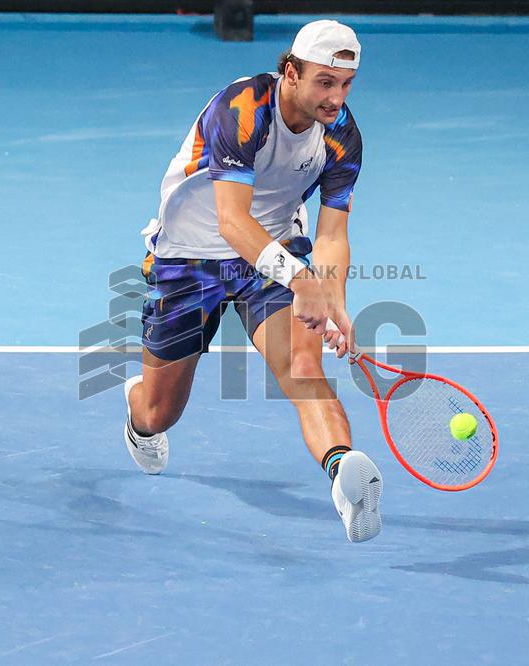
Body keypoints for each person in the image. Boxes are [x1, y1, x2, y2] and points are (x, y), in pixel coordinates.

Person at [124, 20, 382, 543]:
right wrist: (302, 279)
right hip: (190, 259)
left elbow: (334, 234)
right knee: (159, 412)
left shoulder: (341, 136)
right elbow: (231, 222)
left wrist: (334, 298)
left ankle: (343, 474)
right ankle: (140, 417)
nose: (336, 97)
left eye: (346, 84)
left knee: (303, 366)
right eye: (324, 82)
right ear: (290, 72)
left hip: (277, 249)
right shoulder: (242, 109)